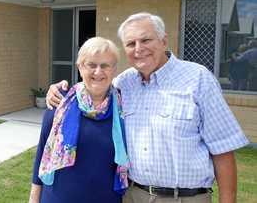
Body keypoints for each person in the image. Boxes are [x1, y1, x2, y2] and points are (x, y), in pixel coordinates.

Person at [46, 13, 249, 203]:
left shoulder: (198, 79)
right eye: (130, 43)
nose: (138, 48)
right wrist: (60, 90)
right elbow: (94, 84)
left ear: (163, 40)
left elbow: (223, 150)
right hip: (134, 195)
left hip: (184, 198)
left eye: (146, 40)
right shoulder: (123, 84)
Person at [29, 37, 129, 203]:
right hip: (58, 197)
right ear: (80, 67)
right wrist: (34, 198)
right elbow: (42, 153)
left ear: (114, 69)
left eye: (105, 65)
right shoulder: (60, 101)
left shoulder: (123, 105)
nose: (98, 72)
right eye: (91, 65)